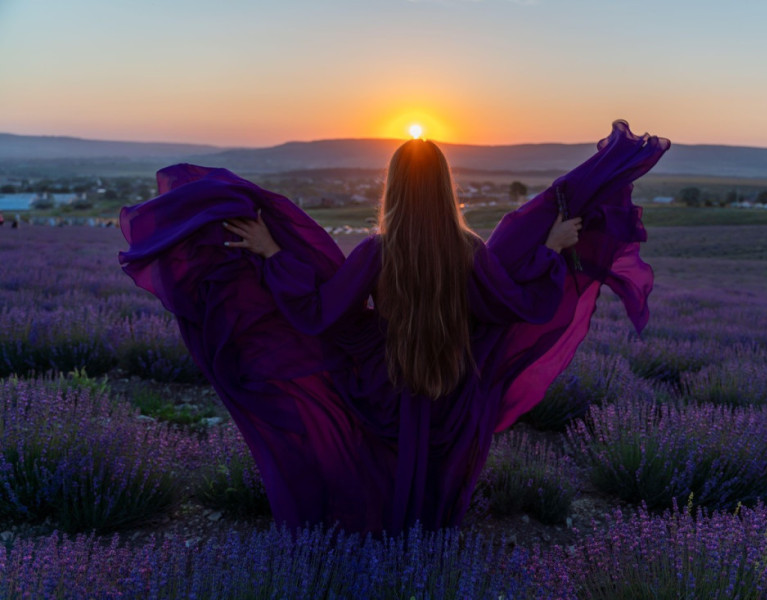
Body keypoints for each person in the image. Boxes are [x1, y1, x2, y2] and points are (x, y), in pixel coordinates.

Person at [119, 120, 670, 536]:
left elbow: (316, 314)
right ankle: (423, 545)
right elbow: (515, 306)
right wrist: (550, 252)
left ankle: (377, 543)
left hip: (380, 383)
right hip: (453, 387)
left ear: (395, 189)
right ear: (445, 187)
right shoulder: (470, 251)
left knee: (375, 464)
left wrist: (270, 254)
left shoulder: (379, 251)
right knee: (431, 474)